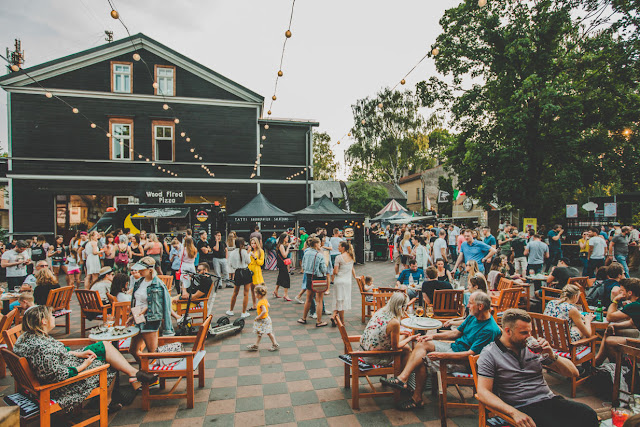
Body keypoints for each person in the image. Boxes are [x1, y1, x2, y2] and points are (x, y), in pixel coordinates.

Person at [13, 306, 158, 413]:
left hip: (64, 364)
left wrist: (78, 355)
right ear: (43, 321)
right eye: (52, 316)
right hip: (63, 385)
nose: (54, 317)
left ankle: (133, 373)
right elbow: (58, 374)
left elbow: (54, 358)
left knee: (104, 346)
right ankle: (107, 403)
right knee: (108, 364)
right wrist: (84, 365)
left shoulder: (27, 338)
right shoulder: (42, 348)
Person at [477, 309, 598, 426]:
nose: (529, 336)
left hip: (548, 400)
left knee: (588, 414)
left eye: (530, 332)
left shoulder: (533, 348)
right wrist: (513, 413)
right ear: (508, 331)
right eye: (524, 333)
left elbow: (573, 373)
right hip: (521, 406)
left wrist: (551, 355)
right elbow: (483, 392)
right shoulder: (490, 353)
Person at [383, 291, 500, 410]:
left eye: (470, 303)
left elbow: (470, 355)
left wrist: (442, 356)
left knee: (421, 360)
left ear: (480, 307)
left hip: (465, 362)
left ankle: (416, 398)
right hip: (454, 348)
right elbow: (456, 333)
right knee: (423, 343)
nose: (468, 306)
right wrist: (432, 336)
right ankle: (403, 379)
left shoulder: (488, 330)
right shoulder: (473, 316)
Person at [128, 257, 174, 364]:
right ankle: (145, 370)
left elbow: (162, 305)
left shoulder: (157, 284)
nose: (139, 271)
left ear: (150, 270)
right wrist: (133, 316)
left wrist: (168, 328)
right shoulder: (139, 282)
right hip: (138, 317)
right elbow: (136, 301)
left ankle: (151, 375)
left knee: (152, 352)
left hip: (150, 319)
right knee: (133, 350)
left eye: (142, 269)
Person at [359, 292, 418, 365]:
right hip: (374, 358)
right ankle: (402, 375)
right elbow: (395, 348)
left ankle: (404, 374)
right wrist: (410, 338)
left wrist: (400, 333)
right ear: (402, 308)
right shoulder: (394, 322)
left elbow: (381, 330)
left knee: (405, 343)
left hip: (363, 351)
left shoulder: (380, 311)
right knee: (406, 350)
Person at [595, 278, 640, 365]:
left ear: (630, 293)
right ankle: (598, 361)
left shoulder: (635, 305)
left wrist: (615, 300)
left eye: (622, 291)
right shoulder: (636, 303)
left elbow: (610, 317)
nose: (620, 293)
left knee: (609, 341)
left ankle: (622, 369)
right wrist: (615, 326)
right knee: (610, 330)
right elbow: (632, 323)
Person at [298, 237, 329, 327]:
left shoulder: (306, 253)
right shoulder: (319, 255)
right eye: (319, 243)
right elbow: (323, 269)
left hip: (308, 276)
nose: (320, 245)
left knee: (308, 299)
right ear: (316, 244)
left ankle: (303, 318)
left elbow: (303, 265)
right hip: (318, 278)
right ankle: (319, 321)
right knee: (319, 300)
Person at [329, 240, 356, 327]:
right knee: (342, 300)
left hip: (339, 280)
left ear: (343, 248)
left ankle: (341, 320)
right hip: (347, 281)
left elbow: (336, 271)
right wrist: (355, 276)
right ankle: (335, 317)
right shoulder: (351, 256)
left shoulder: (339, 257)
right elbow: (352, 268)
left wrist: (333, 271)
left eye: (339, 246)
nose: (338, 248)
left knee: (339, 299)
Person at [246, 285, 279, 352]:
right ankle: (256, 345)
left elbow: (264, 311)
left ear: (259, 294)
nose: (255, 294)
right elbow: (268, 305)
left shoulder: (261, 302)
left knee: (269, 332)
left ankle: (275, 344)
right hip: (265, 319)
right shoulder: (264, 300)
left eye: (256, 293)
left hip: (264, 320)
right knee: (260, 333)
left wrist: (258, 316)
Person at [227, 237, 253, 318]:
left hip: (237, 272)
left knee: (235, 293)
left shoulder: (232, 253)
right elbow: (249, 262)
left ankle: (231, 310)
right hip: (245, 272)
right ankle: (243, 312)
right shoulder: (244, 252)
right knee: (246, 293)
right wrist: (248, 253)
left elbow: (230, 264)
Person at [248, 237, 265, 310]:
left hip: (257, 270)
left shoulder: (260, 251)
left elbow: (261, 263)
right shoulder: (250, 251)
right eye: (252, 243)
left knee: (258, 289)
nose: (253, 245)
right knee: (252, 289)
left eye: (254, 243)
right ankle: (254, 305)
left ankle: (261, 304)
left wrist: (255, 257)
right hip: (250, 270)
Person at [274, 233, 293, 300]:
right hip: (282, 264)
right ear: (284, 238)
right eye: (287, 237)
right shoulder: (281, 246)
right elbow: (284, 255)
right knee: (286, 278)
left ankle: (275, 291)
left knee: (280, 277)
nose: (288, 239)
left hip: (281, 263)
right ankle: (285, 294)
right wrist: (288, 248)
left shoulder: (281, 245)